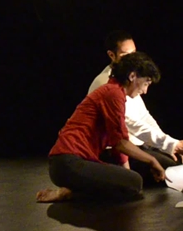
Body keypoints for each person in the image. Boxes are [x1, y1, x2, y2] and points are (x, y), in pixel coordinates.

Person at [36, 52, 168, 203]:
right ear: (132, 76)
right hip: (67, 163)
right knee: (134, 183)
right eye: (146, 83)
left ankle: (74, 190)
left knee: (133, 183)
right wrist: (151, 160)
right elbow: (120, 143)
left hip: (71, 163)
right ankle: (68, 193)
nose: (145, 91)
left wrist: (127, 174)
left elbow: (118, 141)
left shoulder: (115, 92)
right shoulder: (112, 93)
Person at [88, 31, 183, 180]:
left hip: (134, 146)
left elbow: (143, 116)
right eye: (126, 55)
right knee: (173, 171)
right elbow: (129, 124)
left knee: (180, 163)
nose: (132, 59)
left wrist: (167, 146)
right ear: (112, 55)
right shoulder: (107, 83)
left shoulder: (130, 77)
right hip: (114, 150)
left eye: (134, 53)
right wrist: (171, 144)